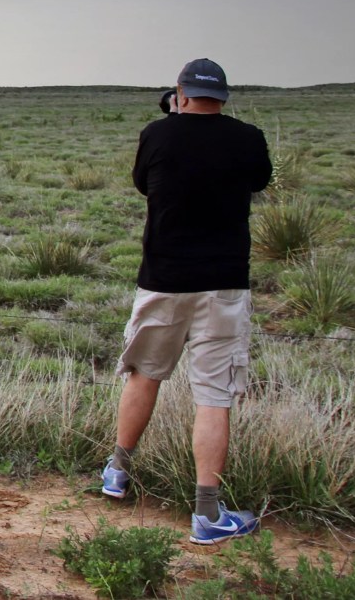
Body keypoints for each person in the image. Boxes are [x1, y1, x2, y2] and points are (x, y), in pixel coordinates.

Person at [101, 58, 272, 545]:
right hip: (223, 282)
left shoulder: (157, 134)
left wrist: (173, 121)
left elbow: (143, 185)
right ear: (224, 96)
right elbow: (260, 180)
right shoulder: (248, 137)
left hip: (163, 278)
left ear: (181, 92)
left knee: (144, 373)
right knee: (214, 396)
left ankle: (117, 471)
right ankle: (206, 513)